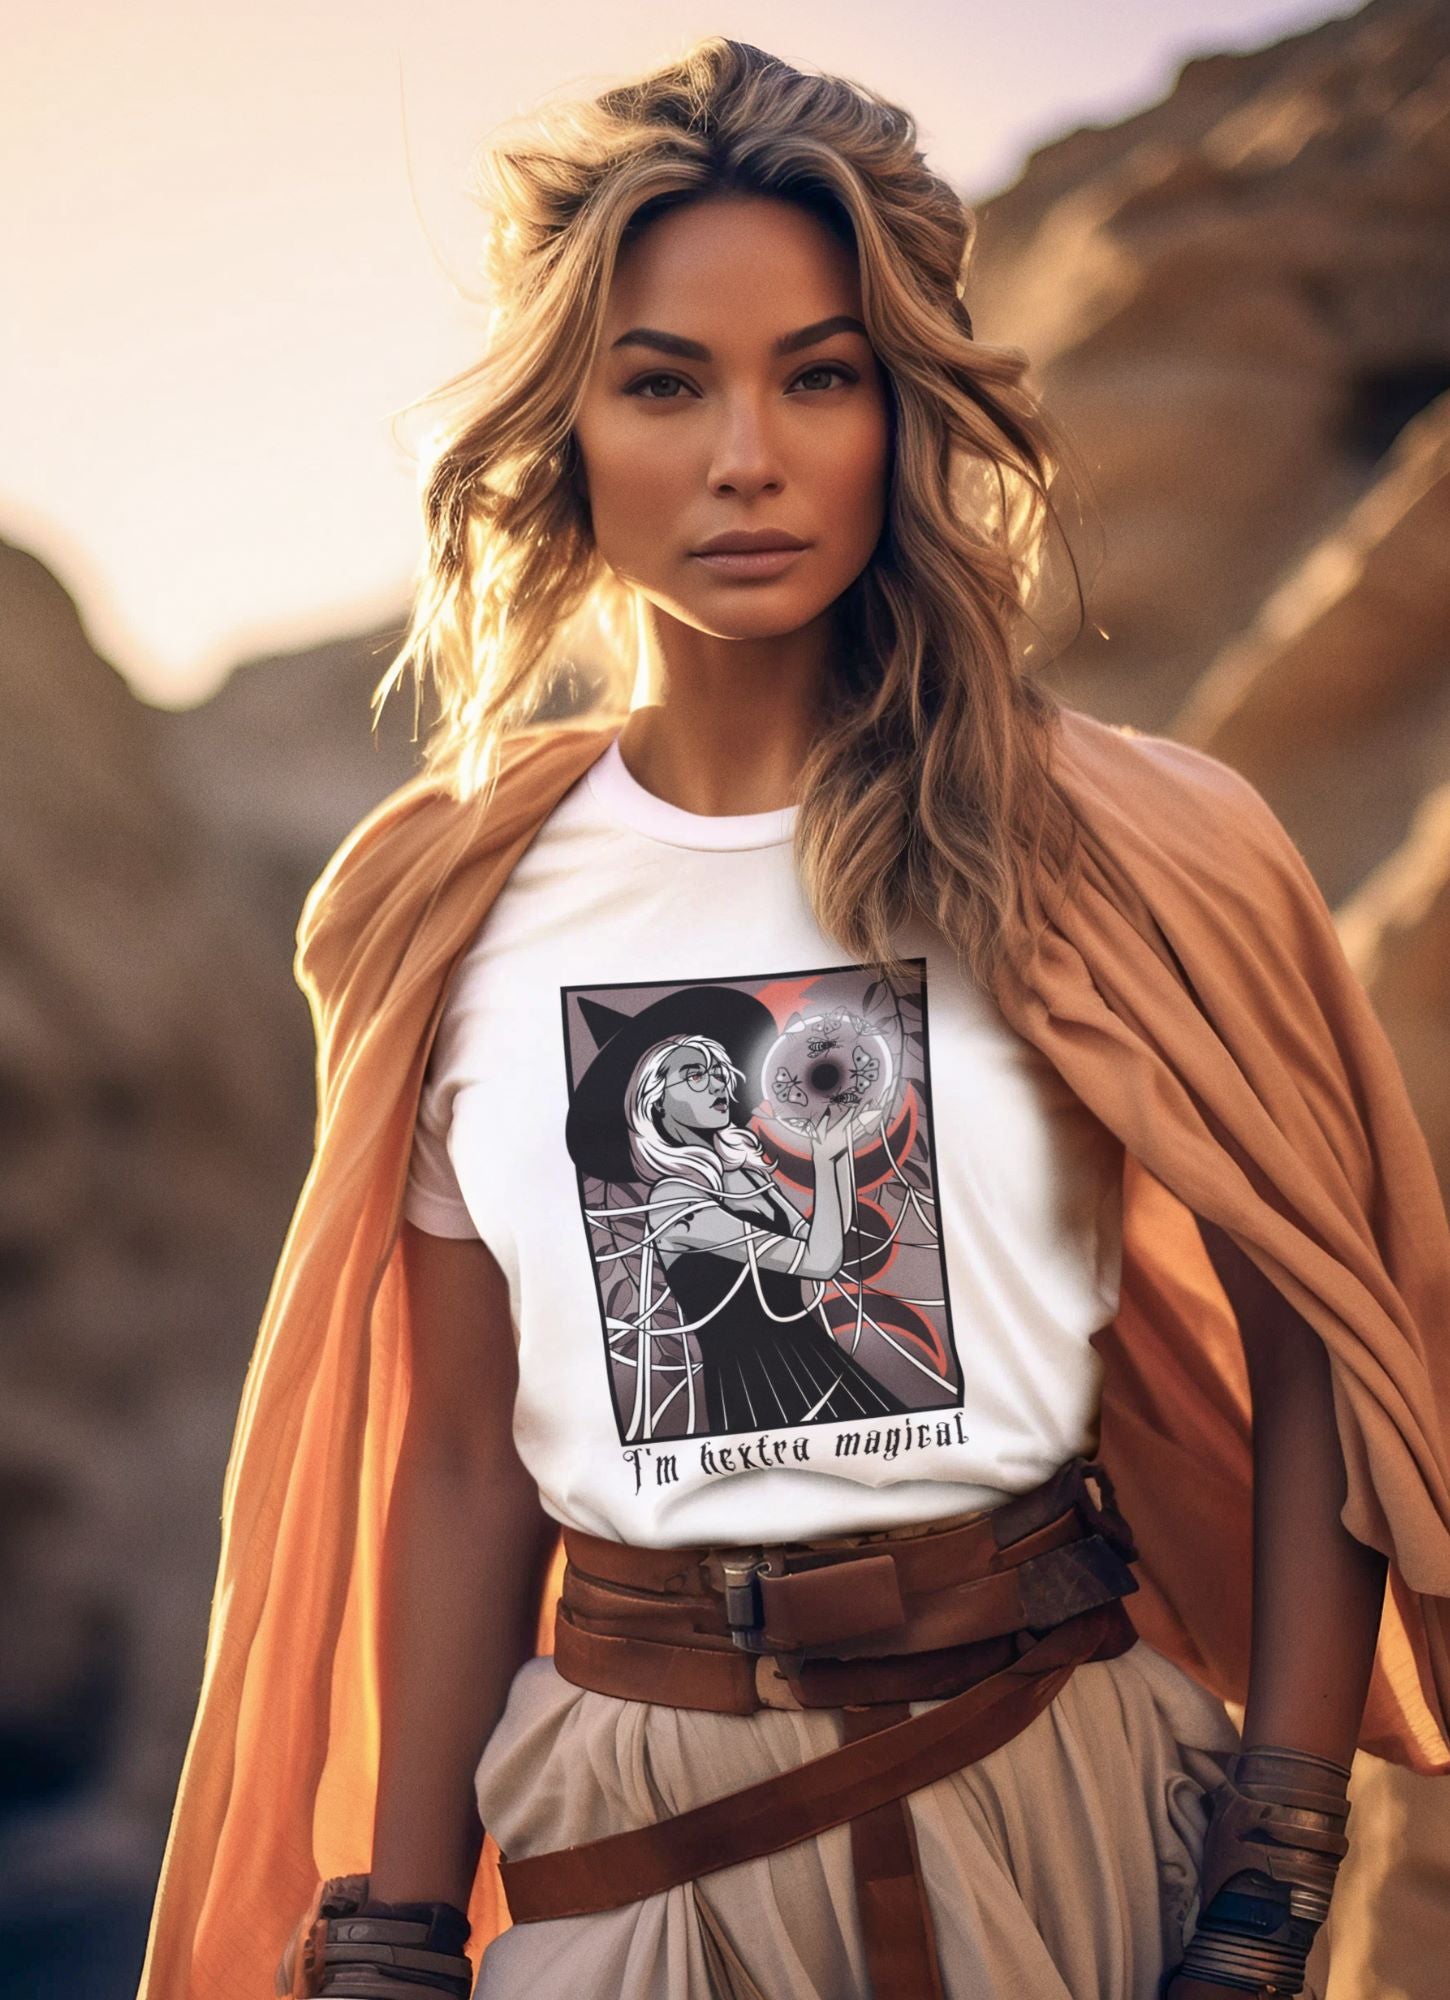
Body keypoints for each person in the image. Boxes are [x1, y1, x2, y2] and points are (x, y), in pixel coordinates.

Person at [136, 37, 1450, 2000]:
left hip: (1056, 1792)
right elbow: (458, 1469)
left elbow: (1312, 1373)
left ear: (898, 412)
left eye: (815, 375)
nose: (742, 455)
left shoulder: (1129, 847)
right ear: (563, 428)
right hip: (624, 1820)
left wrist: (1269, 1877)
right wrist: (398, 1924)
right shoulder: (444, 898)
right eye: (663, 381)